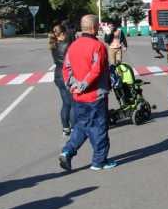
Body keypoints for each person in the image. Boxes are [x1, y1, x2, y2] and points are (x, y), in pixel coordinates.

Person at [58, 14, 117, 171]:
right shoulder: (98, 46)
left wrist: (73, 86)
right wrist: (83, 85)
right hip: (95, 96)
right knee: (99, 128)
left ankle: (67, 152)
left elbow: (66, 68)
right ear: (94, 28)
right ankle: (99, 161)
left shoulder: (73, 45)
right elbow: (96, 70)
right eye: (98, 26)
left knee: (81, 127)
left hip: (78, 97)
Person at [49, 24, 74, 136]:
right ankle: (74, 127)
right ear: (63, 33)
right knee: (73, 103)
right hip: (67, 74)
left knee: (65, 103)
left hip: (58, 75)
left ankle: (65, 128)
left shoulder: (53, 44)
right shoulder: (68, 45)